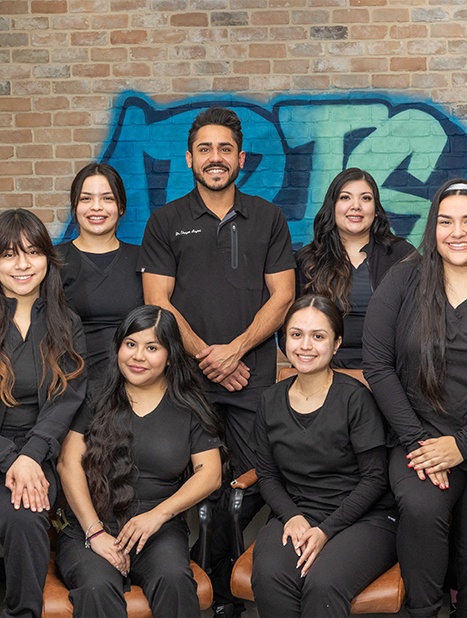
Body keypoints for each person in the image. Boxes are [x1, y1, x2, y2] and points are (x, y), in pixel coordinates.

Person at [138, 106, 296, 617]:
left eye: (224, 148)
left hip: (255, 381)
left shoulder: (269, 218)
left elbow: (283, 296)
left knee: (254, 480)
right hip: (189, 384)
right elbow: (158, 301)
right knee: (193, 484)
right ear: (189, 158)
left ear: (241, 158)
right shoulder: (165, 221)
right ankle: (213, 593)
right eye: (205, 148)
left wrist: (235, 350)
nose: (215, 157)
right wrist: (209, 356)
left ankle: (232, 584)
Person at [363, 178, 467, 617]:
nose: (458, 232)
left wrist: (463, 444)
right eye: (446, 221)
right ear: (433, 226)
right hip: (420, 444)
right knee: (421, 512)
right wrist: (418, 442)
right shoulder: (404, 279)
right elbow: (377, 365)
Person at [55, 305, 223, 618]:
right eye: (130, 344)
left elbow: (210, 474)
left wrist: (157, 516)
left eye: (152, 347)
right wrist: (94, 532)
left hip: (157, 530)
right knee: (96, 587)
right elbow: (68, 464)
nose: (137, 356)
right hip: (89, 526)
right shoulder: (94, 396)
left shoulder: (189, 405)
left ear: (170, 355)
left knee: (174, 580)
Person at [251, 295, 397, 618]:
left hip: (364, 519)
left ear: (336, 343)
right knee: (269, 575)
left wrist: (326, 529)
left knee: (323, 583)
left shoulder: (355, 399)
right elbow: (268, 476)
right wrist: (291, 516)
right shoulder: (270, 401)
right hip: (298, 513)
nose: (305, 345)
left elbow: (375, 479)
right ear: (284, 339)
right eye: (296, 334)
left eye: (318, 336)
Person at [0, 209, 86, 618]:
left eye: (32, 252)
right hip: (3, 451)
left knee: (26, 516)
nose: (21, 265)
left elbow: (68, 396)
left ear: (47, 260)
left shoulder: (65, 322)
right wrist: (11, 459)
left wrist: (31, 455)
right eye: (9, 254)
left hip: (40, 451)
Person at [295, 168, 415, 368]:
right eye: (345, 198)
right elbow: (289, 328)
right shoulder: (307, 260)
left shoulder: (402, 255)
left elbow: (421, 320)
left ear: (376, 210)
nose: (356, 206)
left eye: (365, 198)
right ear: (332, 207)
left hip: (390, 370)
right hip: (323, 372)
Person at [57, 162, 143, 384]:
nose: (96, 207)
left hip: (133, 387)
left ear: (121, 206)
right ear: (74, 206)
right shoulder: (54, 261)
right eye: (86, 198)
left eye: (107, 198)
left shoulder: (143, 259)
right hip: (73, 387)